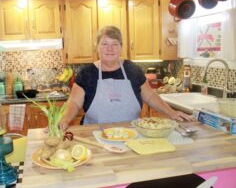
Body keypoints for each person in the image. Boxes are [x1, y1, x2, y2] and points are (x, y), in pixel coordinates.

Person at [59, 26, 194, 130]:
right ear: (97, 47)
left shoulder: (132, 70)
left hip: (131, 134)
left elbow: (150, 96)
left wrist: (172, 113)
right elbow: (74, 103)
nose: (110, 49)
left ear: (121, 47)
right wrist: (65, 120)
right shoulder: (87, 73)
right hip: (94, 135)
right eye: (105, 44)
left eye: (115, 44)